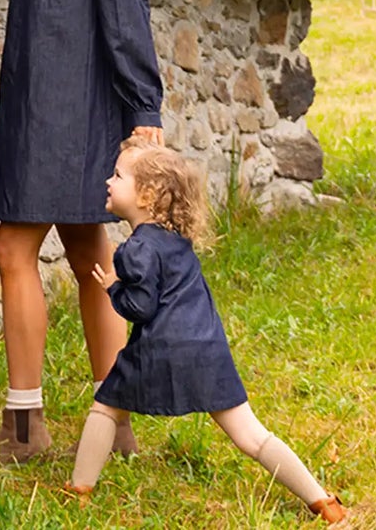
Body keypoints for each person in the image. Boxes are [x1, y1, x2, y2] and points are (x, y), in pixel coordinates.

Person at [0, 0, 166, 463]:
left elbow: (126, 15)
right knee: (90, 254)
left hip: (75, 110)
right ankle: (113, 423)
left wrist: (144, 110)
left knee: (14, 250)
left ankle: (24, 429)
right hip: (36, 105)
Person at [64, 142, 346, 523]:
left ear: (146, 196)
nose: (108, 181)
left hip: (161, 349)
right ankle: (322, 501)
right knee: (251, 435)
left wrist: (113, 287)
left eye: (117, 176)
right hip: (207, 348)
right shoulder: (178, 241)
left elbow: (142, 309)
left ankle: (79, 490)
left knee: (105, 406)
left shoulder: (135, 251)